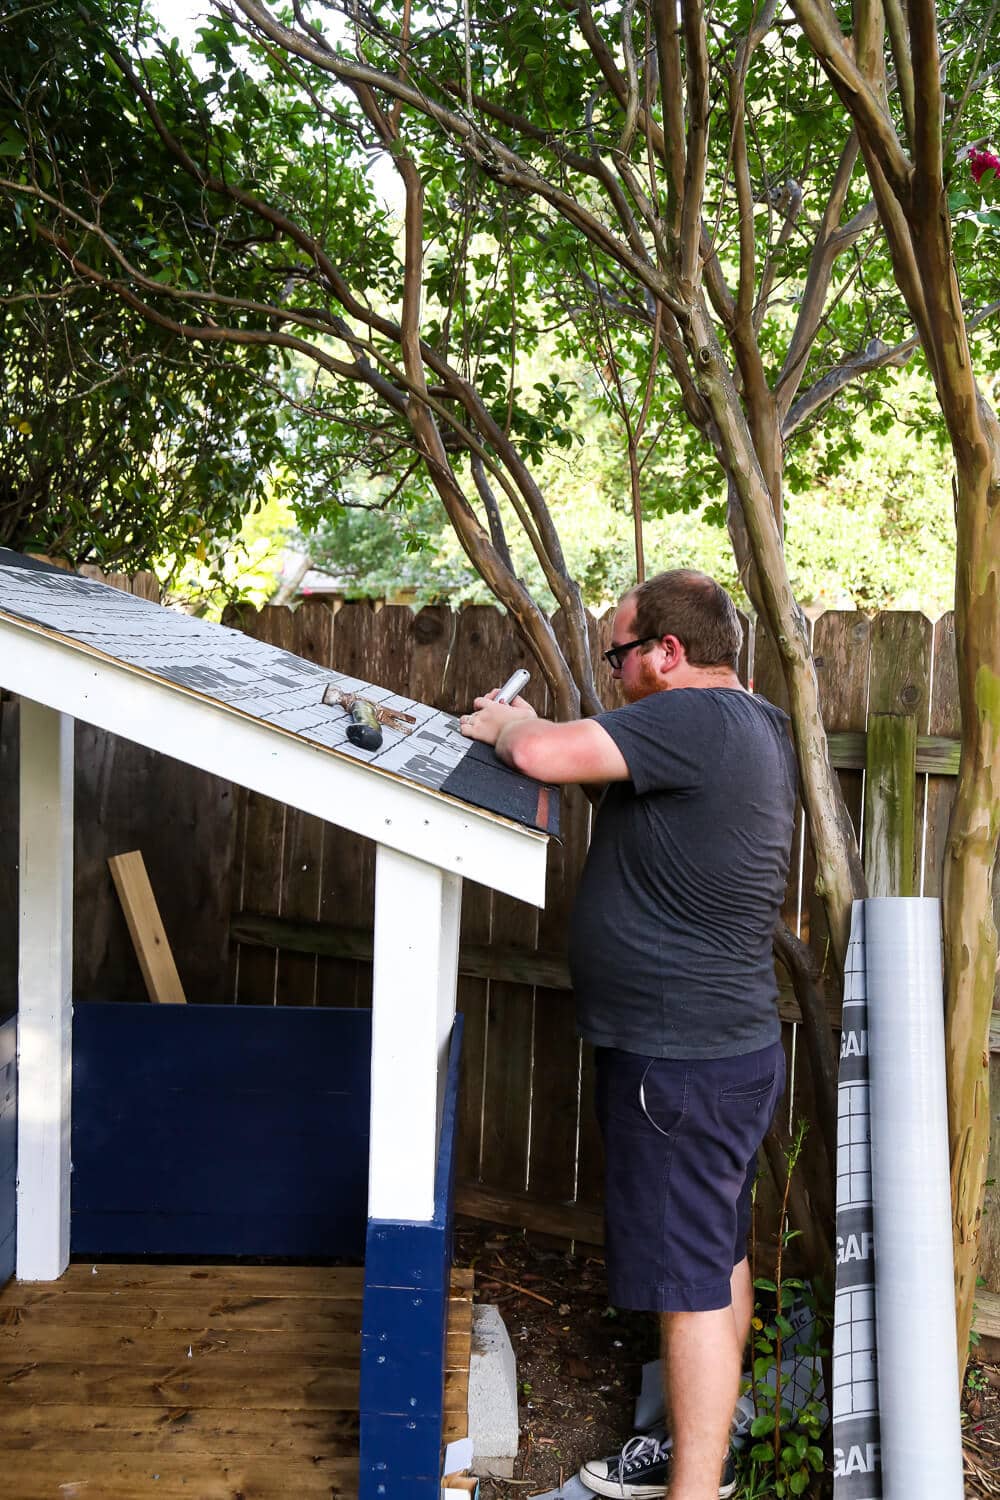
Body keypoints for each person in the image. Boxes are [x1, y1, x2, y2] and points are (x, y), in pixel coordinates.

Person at [459, 569, 797, 1500]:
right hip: (723, 1054)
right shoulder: (755, 724)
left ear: (669, 653)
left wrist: (503, 724)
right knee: (716, 1267)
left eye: (619, 654)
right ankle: (694, 1463)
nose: (614, 671)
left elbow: (546, 755)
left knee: (689, 1292)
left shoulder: (693, 719)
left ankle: (694, 1491)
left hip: (680, 1065)